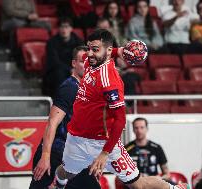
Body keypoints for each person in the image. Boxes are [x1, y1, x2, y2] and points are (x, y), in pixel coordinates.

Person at [54, 29, 189, 189]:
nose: (89, 54)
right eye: (89, 48)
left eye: (95, 50)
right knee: (66, 173)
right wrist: (121, 51)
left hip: (103, 143)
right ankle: (59, 183)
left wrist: (104, 153)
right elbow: (94, 53)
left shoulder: (111, 82)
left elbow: (120, 120)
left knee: (138, 185)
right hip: (76, 138)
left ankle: (176, 188)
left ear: (107, 51)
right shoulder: (91, 60)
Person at [29, 46, 87, 189]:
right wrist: (45, 156)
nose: (87, 66)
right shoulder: (69, 88)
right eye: (82, 61)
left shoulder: (84, 89)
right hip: (55, 154)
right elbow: (52, 123)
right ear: (74, 63)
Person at [42, 17, 83, 97]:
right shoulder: (52, 42)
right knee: (59, 73)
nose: (64, 29)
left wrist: (75, 69)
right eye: (62, 27)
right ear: (58, 29)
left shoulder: (79, 42)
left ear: (71, 28)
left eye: (66, 27)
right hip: (57, 70)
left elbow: (81, 58)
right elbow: (54, 61)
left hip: (74, 69)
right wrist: (69, 70)